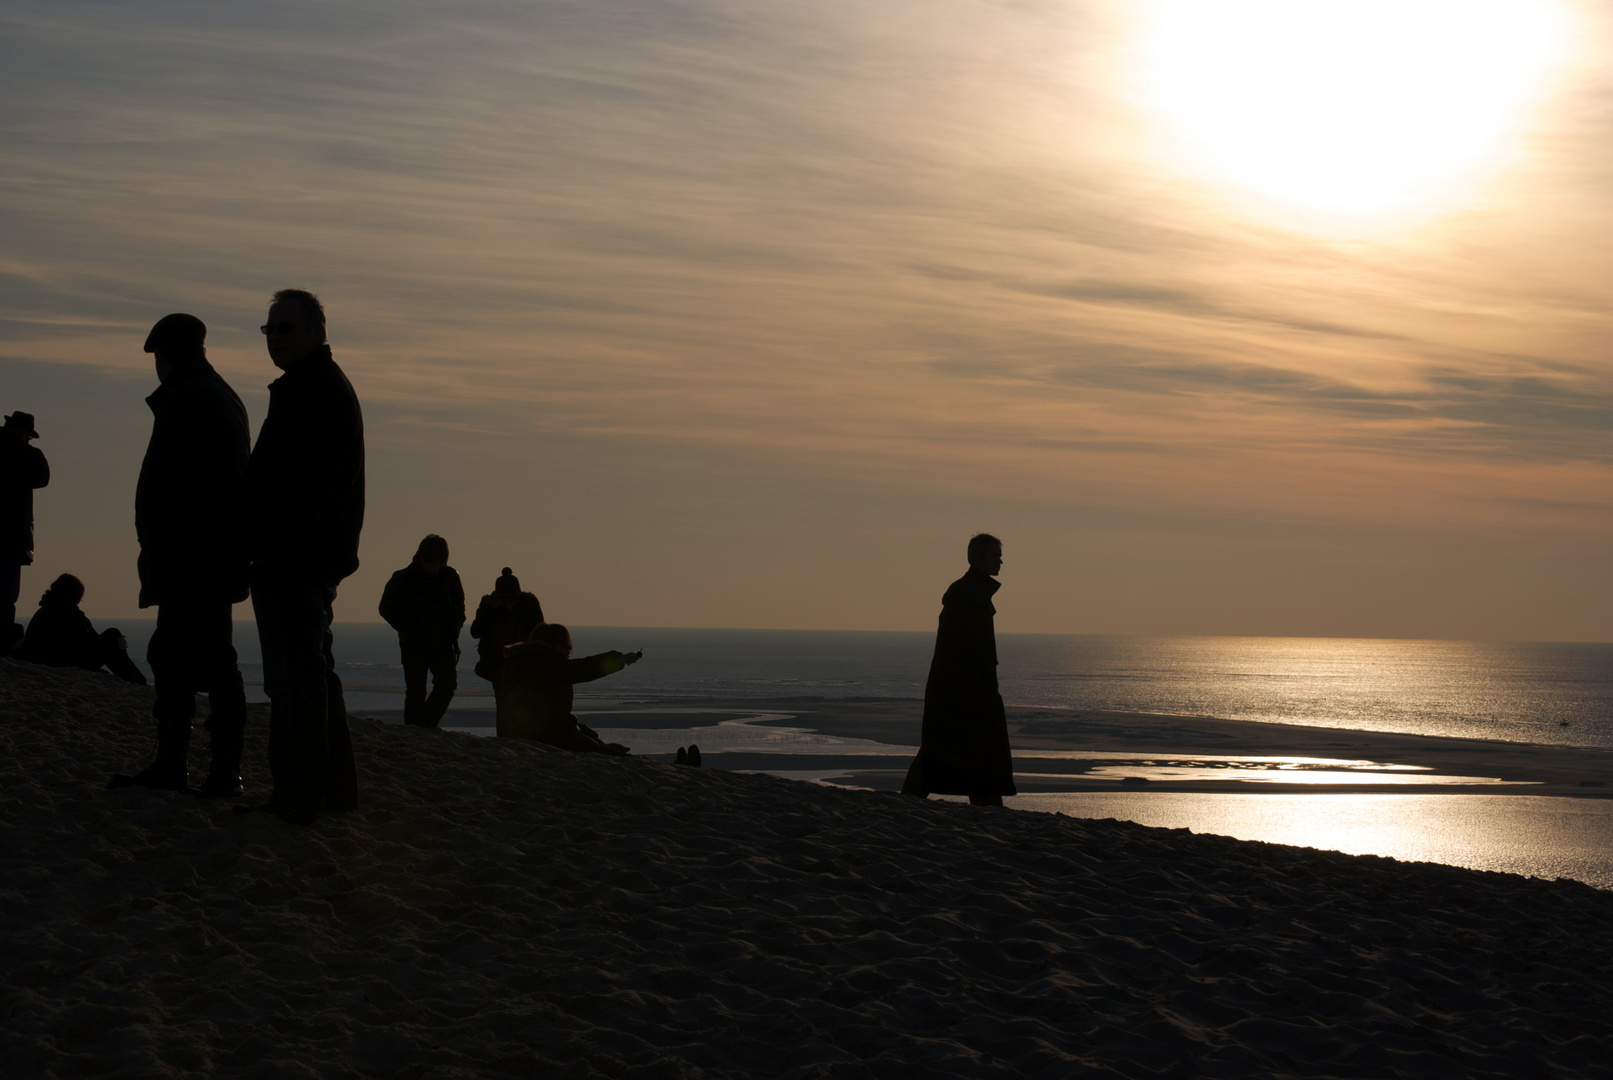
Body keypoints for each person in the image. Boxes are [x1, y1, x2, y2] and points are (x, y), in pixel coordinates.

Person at [110, 314, 252, 797]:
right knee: (209, 661)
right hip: (209, 556)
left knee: (182, 661)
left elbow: (174, 488)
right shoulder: (218, 395)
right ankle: (213, 770)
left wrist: (160, 549)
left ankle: (188, 768)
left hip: (191, 558)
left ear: (164, 354)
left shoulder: (189, 397)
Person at [239, 289, 365, 825]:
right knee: (310, 673)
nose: (274, 338)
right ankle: (328, 790)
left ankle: (301, 794)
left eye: (284, 328)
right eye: (268, 329)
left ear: (316, 331)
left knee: (294, 678)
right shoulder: (307, 388)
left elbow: (309, 484)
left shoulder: (314, 391)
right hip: (303, 554)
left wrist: (272, 544)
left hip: (296, 556)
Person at [902, 533, 1016, 807]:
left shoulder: (971, 592)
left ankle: (987, 803)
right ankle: (986, 804)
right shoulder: (969, 595)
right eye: (994, 556)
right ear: (976, 558)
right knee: (956, 750)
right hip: (964, 692)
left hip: (963, 691)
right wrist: (981, 688)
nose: (1000, 562)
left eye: (1000, 556)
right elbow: (969, 650)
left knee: (955, 750)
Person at [497, 622, 639, 753]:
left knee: (593, 739)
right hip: (549, 732)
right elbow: (582, 668)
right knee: (606, 752)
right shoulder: (548, 663)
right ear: (554, 644)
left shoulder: (519, 662)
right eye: (566, 646)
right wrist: (618, 660)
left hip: (522, 729)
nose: (568, 651)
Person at [378, 534, 465, 728]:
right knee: (416, 691)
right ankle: (413, 730)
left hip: (443, 643)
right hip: (414, 644)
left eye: (439, 562)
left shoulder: (450, 577)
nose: (435, 566)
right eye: (431, 562)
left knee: (447, 685)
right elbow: (385, 607)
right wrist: (407, 628)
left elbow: (459, 605)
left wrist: (457, 626)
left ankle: (425, 724)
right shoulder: (402, 578)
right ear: (421, 558)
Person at [19, 574, 147, 684]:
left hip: (51, 660)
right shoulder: (68, 613)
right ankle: (136, 680)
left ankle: (136, 678)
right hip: (61, 661)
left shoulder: (45, 609)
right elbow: (84, 642)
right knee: (113, 635)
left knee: (114, 641)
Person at [0, 410, 49, 653]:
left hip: (11, 538)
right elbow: (40, 476)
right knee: (6, 596)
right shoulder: (20, 455)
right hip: (10, 539)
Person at [469, 567, 544, 687]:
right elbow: (475, 632)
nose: (508, 606)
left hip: (524, 662)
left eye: (512, 602)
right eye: (504, 602)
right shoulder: (488, 605)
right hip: (497, 662)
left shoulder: (529, 604)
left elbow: (540, 632)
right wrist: (489, 610)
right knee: (503, 700)